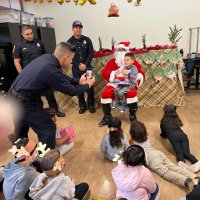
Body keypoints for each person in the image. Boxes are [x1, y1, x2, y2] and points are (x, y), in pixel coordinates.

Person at [8, 42, 95, 149]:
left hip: (14, 96)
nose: (72, 61)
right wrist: (87, 85)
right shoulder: (50, 70)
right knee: (48, 129)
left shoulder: (47, 58)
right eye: (71, 58)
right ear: (66, 57)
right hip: (23, 102)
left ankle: (19, 153)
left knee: (21, 128)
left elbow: (62, 77)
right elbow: (71, 91)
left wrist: (78, 81)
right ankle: (47, 160)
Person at [13, 25, 65, 117]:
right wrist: (22, 74)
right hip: (30, 76)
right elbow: (16, 61)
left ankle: (56, 111)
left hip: (43, 74)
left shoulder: (39, 42)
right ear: (22, 34)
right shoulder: (19, 45)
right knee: (35, 97)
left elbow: (46, 57)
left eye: (31, 33)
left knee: (49, 94)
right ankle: (40, 114)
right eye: (27, 34)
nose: (30, 36)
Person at [130, 120, 199, 189]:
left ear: (132, 135)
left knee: (165, 172)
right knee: (173, 167)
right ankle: (194, 177)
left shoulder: (135, 145)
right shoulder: (146, 137)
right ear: (145, 132)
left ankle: (186, 181)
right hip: (158, 153)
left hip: (151, 157)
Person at [98, 41, 145, 127]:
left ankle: (132, 116)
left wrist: (136, 76)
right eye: (118, 50)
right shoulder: (112, 61)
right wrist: (113, 74)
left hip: (128, 83)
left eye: (122, 50)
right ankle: (107, 116)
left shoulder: (132, 62)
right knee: (106, 93)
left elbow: (140, 72)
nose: (120, 52)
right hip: (115, 83)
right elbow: (106, 72)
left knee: (131, 93)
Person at [160, 104, 200, 172]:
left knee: (179, 154)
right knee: (186, 153)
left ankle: (184, 167)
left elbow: (163, 133)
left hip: (174, 139)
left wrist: (163, 135)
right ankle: (197, 163)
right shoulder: (177, 119)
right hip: (184, 137)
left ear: (165, 112)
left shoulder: (163, 122)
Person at [67, 20, 95, 114]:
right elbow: (69, 56)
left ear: (81, 29)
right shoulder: (69, 42)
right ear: (73, 29)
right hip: (76, 69)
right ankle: (82, 106)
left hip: (88, 68)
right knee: (79, 87)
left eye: (80, 27)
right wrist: (78, 65)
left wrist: (85, 65)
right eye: (76, 27)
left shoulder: (87, 40)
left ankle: (91, 105)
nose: (78, 29)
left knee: (89, 86)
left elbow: (91, 54)